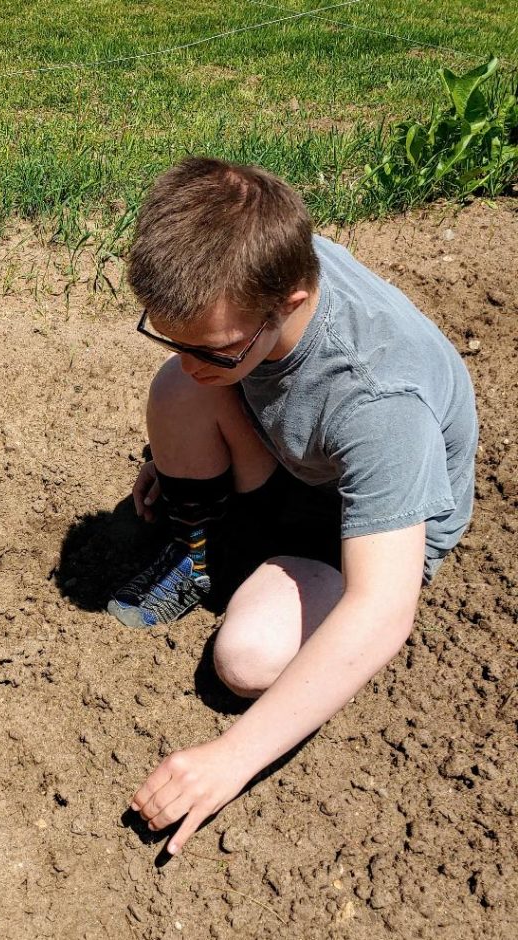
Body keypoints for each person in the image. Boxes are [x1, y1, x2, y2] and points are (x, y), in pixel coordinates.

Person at [112, 158, 477, 854]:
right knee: (178, 393)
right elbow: (200, 364)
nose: (192, 358)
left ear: (295, 298)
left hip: (354, 523)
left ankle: (250, 560)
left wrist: (230, 759)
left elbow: (382, 610)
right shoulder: (258, 253)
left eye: (213, 348)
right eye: (171, 336)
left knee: (248, 659)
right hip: (295, 456)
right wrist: (176, 441)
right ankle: (202, 550)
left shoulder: (381, 405)